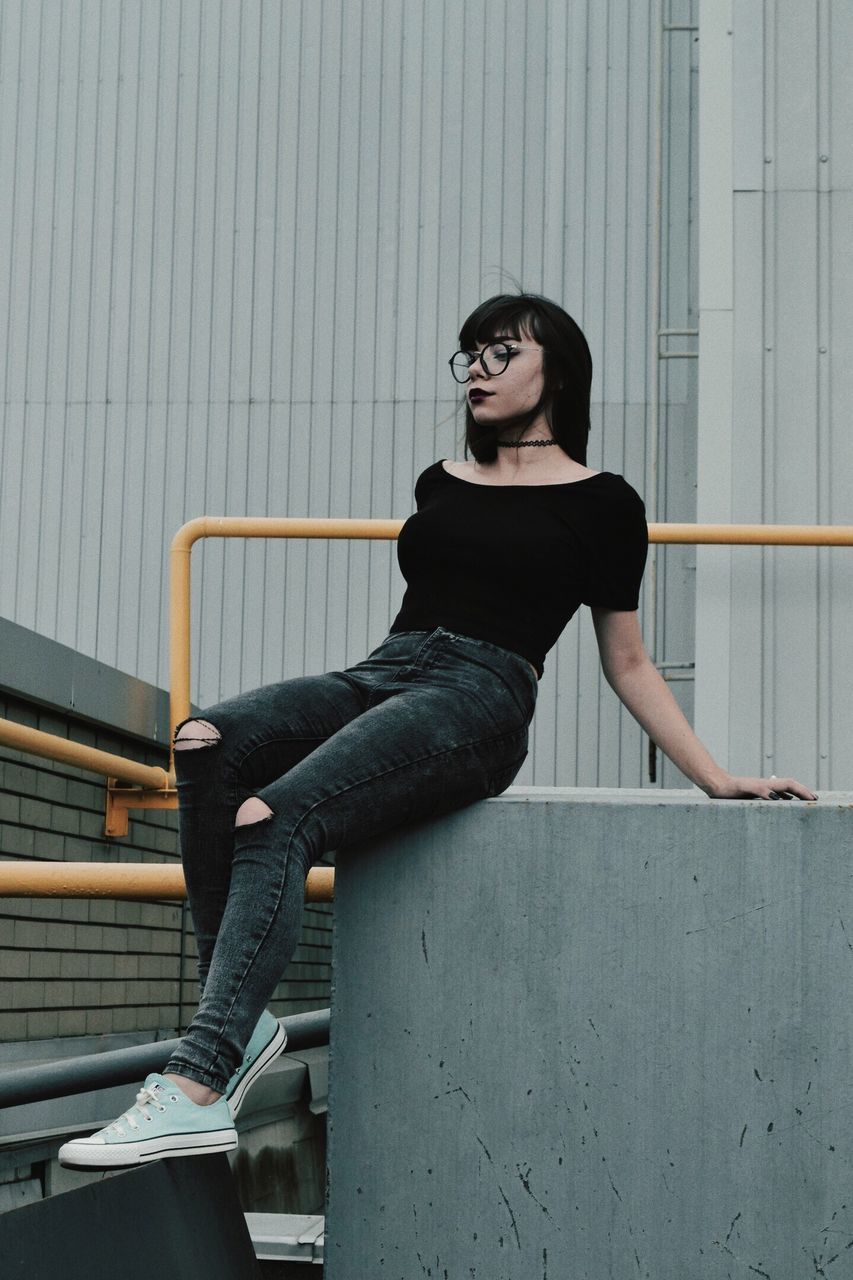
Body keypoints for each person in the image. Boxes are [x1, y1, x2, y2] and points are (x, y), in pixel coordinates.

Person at [58, 293, 816, 1170]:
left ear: (555, 371)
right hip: (387, 669)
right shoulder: (441, 481)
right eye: (470, 357)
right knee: (208, 741)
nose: (477, 374)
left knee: (278, 813)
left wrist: (714, 777)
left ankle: (198, 1080)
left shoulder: (607, 503)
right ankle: (240, 1020)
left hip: (483, 695)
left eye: (500, 355)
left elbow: (629, 662)